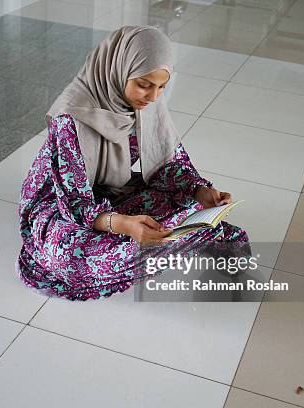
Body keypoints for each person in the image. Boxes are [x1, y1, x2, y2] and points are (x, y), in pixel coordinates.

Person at [16, 25, 250, 301]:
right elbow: (75, 205)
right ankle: (188, 240)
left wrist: (201, 192)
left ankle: (185, 237)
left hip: (113, 191)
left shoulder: (145, 104)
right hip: (60, 205)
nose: (153, 97)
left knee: (188, 203)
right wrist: (125, 225)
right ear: (118, 70)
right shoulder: (71, 117)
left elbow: (169, 167)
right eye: (144, 85)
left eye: (162, 86)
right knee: (69, 257)